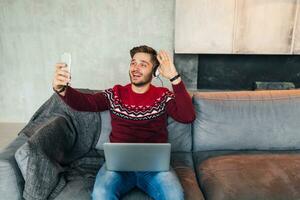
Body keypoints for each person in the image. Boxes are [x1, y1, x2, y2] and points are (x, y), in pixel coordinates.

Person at [52, 45, 196, 200]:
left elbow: (187, 116)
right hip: (118, 167)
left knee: (175, 196)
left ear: (154, 72)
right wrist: (62, 89)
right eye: (133, 63)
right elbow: (85, 102)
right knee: (101, 194)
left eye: (143, 64)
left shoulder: (162, 96)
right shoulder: (116, 93)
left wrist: (175, 77)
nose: (135, 68)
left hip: (154, 168)